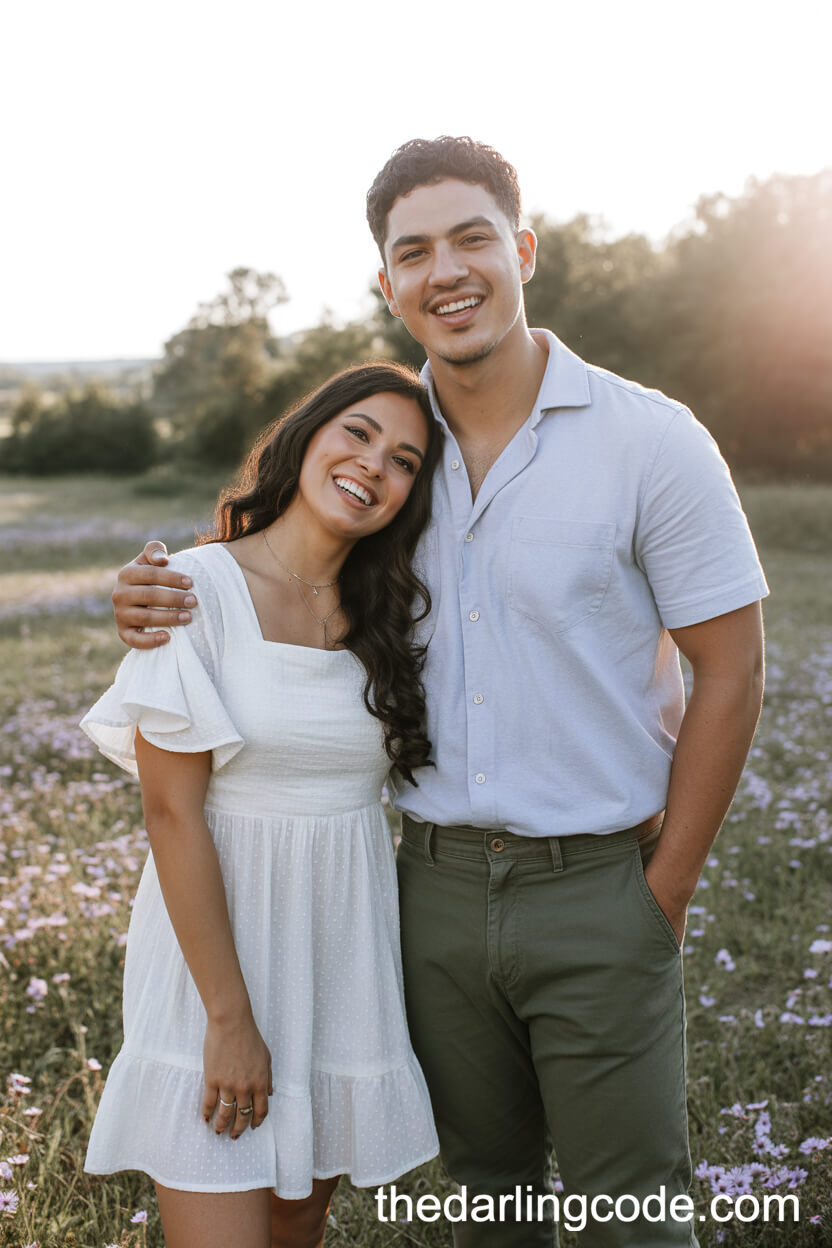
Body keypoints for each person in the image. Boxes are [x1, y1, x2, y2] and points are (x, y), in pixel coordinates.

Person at [112, 138, 768, 1247]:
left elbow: (732, 666)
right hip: (421, 895)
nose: (445, 270)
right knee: (489, 1202)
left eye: (471, 238)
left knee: (633, 1215)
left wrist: (665, 889)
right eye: (412, 252)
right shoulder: (385, 452)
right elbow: (276, 577)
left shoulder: (649, 441)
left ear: (522, 248)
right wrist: (155, 592)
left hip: (599, 884)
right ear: (387, 286)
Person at [81, 362, 441, 1248]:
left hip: (338, 964)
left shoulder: (395, 618)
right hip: (215, 973)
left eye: (403, 460)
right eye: (356, 433)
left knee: (296, 1229)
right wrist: (229, 1021)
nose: (372, 466)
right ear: (306, 435)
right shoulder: (191, 592)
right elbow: (171, 816)